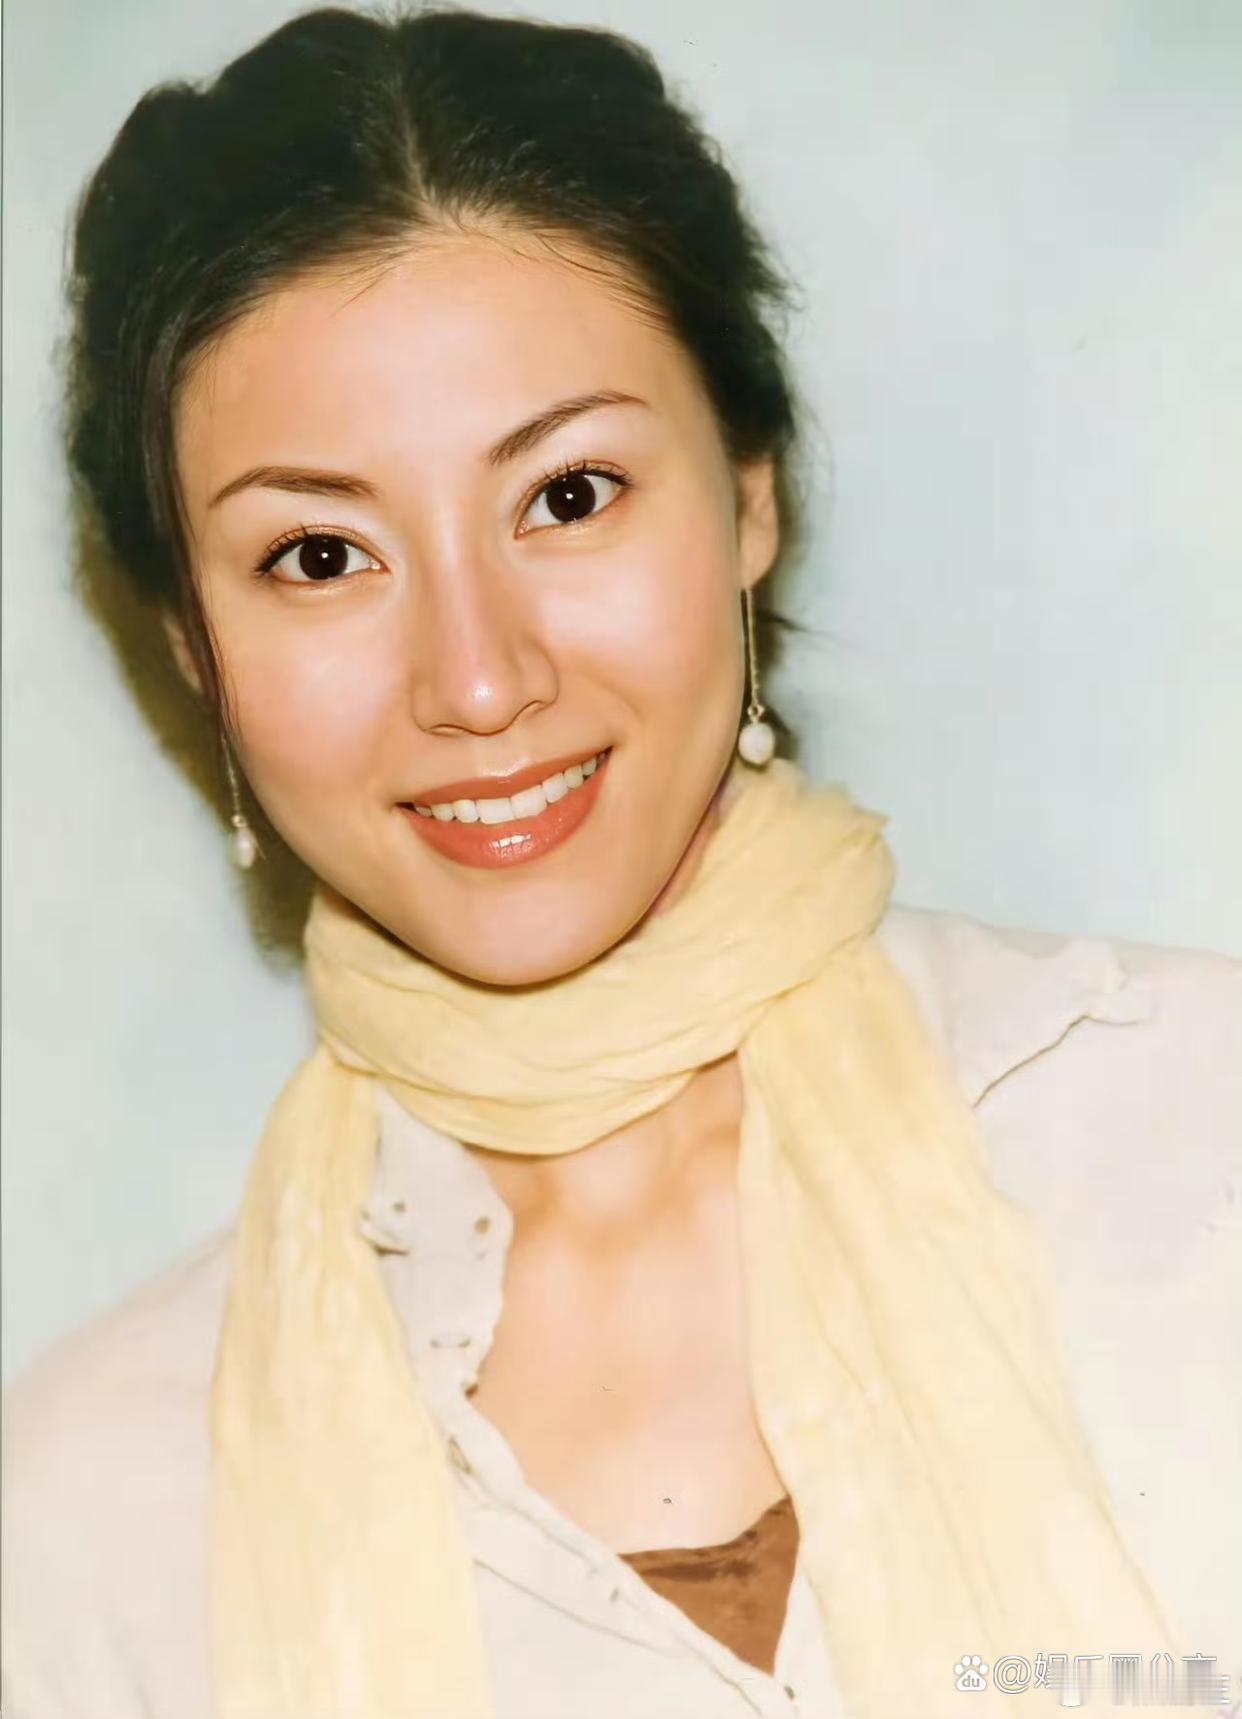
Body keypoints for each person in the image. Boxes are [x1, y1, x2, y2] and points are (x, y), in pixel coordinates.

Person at [3, 9, 1239, 1719]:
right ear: (193, 648)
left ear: (747, 498)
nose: (477, 681)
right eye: (319, 555)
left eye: (568, 496)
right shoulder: (88, 1516)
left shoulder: (1193, 1124)